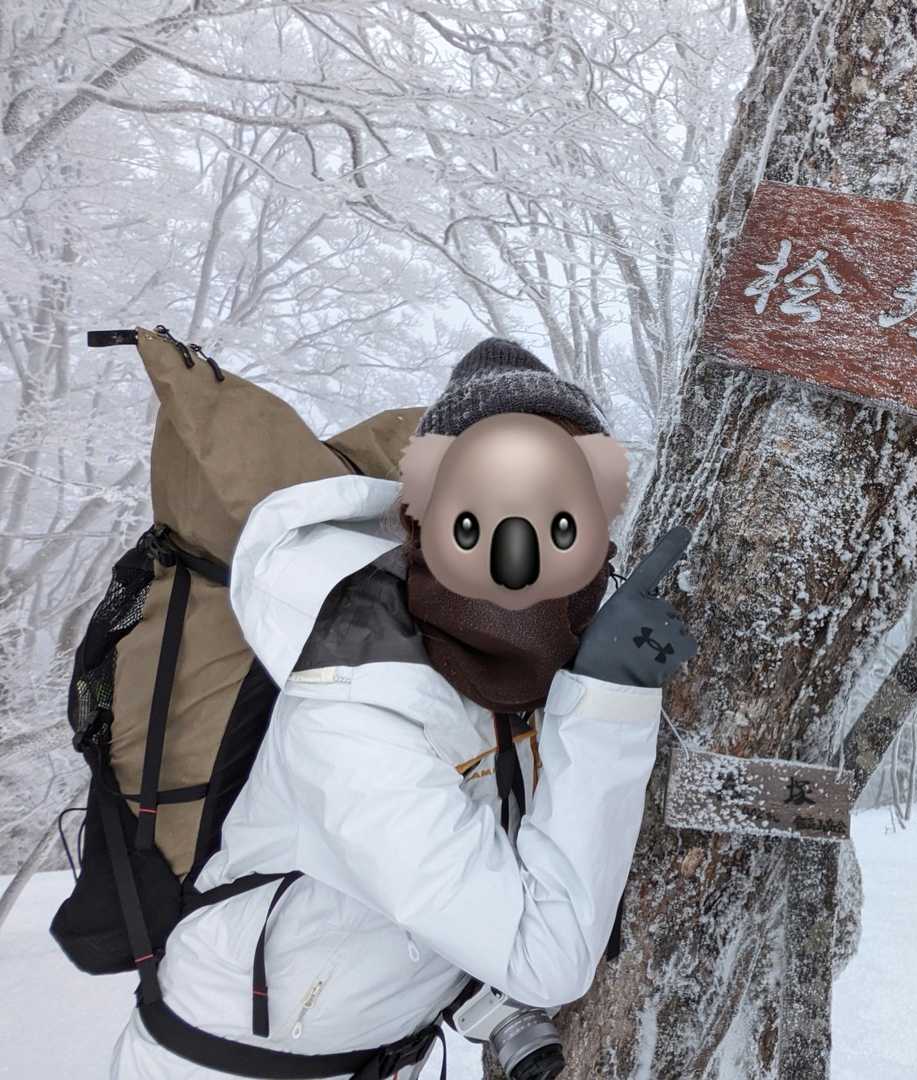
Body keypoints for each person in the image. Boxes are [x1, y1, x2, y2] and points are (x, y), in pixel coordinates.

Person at [111, 338, 696, 1078]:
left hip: (383, 1055)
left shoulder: (516, 674)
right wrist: (608, 706)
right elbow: (543, 955)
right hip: (221, 1064)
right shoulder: (351, 702)